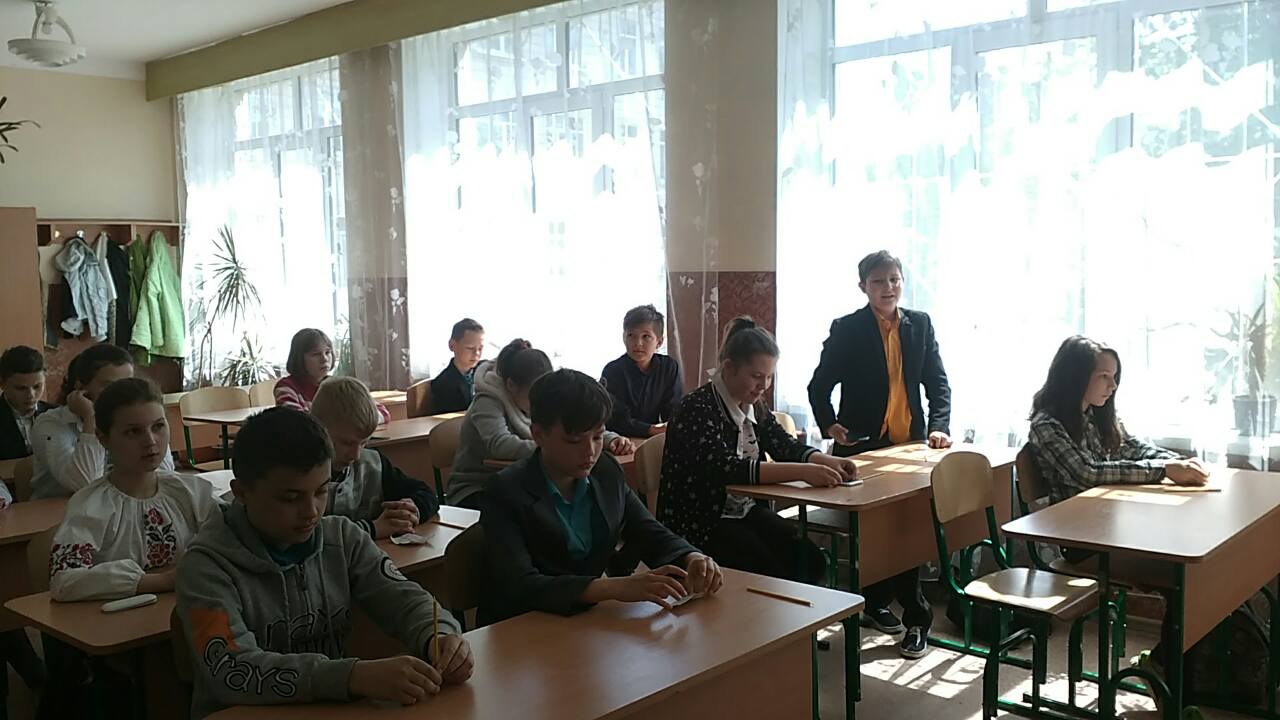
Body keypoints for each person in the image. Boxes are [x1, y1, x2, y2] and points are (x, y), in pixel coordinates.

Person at [177, 407, 471, 720]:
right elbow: (233, 671)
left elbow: (404, 598)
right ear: (241, 493)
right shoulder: (205, 566)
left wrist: (438, 635)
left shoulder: (342, 538)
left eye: (321, 491)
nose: (312, 512)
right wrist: (352, 676)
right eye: (290, 498)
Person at [1027, 335, 1208, 703]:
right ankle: (1167, 670)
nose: (1112, 386)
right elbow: (1087, 474)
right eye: (1104, 376)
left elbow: (1133, 446)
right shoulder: (1047, 425)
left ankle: (1175, 670)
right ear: (1076, 376)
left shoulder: (1095, 414)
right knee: (1183, 575)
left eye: (1114, 377)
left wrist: (1176, 461)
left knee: (1199, 570)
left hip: (1113, 529)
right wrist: (1163, 470)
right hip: (1082, 541)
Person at [480, 368, 723, 625]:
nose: (590, 451)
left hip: (583, 621)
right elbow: (521, 585)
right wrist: (612, 588)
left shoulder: (605, 470)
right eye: (574, 441)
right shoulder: (504, 491)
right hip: (522, 626)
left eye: (598, 437)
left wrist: (691, 557)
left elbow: (646, 530)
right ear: (538, 435)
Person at [807, 249, 949, 658]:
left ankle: (916, 618)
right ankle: (876, 603)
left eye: (894, 279)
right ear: (863, 287)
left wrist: (939, 426)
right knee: (874, 534)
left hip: (910, 447)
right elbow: (819, 385)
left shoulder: (920, 324)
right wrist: (829, 425)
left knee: (909, 530)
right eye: (878, 281)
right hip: (863, 448)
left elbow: (938, 383)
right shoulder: (848, 328)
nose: (888, 288)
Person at [657, 317, 856, 587]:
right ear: (729, 368)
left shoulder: (754, 405)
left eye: (769, 377)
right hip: (701, 521)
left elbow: (782, 444)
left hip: (743, 512)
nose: (764, 385)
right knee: (771, 571)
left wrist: (826, 460)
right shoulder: (696, 407)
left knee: (809, 560)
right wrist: (804, 472)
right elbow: (726, 469)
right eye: (757, 376)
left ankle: (796, 614)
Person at [49, 378, 222, 601]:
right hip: (114, 619)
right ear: (103, 438)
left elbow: (234, 540)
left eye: (158, 427)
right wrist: (162, 581)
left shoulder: (190, 491)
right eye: (133, 432)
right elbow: (64, 580)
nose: (150, 441)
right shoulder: (90, 506)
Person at [449, 339, 634, 511]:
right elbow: (500, 445)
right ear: (512, 385)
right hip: (477, 488)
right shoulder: (486, 401)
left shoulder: (543, 397)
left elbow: (573, 425)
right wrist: (553, 448)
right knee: (547, 513)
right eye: (532, 394)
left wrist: (610, 439)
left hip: (525, 483)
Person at [31, 343, 175, 499]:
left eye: (127, 384)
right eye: (110, 387)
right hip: (59, 510)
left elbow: (165, 474)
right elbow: (86, 484)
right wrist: (91, 418)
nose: (123, 395)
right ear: (81, 388)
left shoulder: (139, 420)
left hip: (118, 506)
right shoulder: (50, 423)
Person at [310, 376, 440, 538]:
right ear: (320, 430)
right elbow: (308, 536)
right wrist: (373, 529)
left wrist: (411, 510)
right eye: (347, 443)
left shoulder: (373, 463)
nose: (356, 455)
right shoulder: (303, 475)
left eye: (364, 443)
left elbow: (426, 493)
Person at [600, 304, 683, 438]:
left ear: (659, 342)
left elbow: (674, 410)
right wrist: (651, 430)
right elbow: (616, 419)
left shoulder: (668, 367)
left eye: (646, 336)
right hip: (620, 439)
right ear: (624, 338)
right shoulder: (612, 371)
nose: (638, 343)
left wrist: (668, 429)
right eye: (631, 335)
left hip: (655, 437)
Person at [274, 328, 391, 423]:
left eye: (327, 352)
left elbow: (382, 412)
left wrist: (353, 423)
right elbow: (298, 422)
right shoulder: (286, 387)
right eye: (316, 354)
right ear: (299, 358)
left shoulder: (339, 386)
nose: (324, 359)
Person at [0, 345, 52, 461]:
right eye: (21, 388)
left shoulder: (56, 414)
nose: (31, 395)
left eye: (37, 386)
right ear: (2, 384)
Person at [429, 318, 485, 414]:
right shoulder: (443, 384)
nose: (477, 353)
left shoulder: (485, 370)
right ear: (452, 345)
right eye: (470, 348)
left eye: (480, 348)